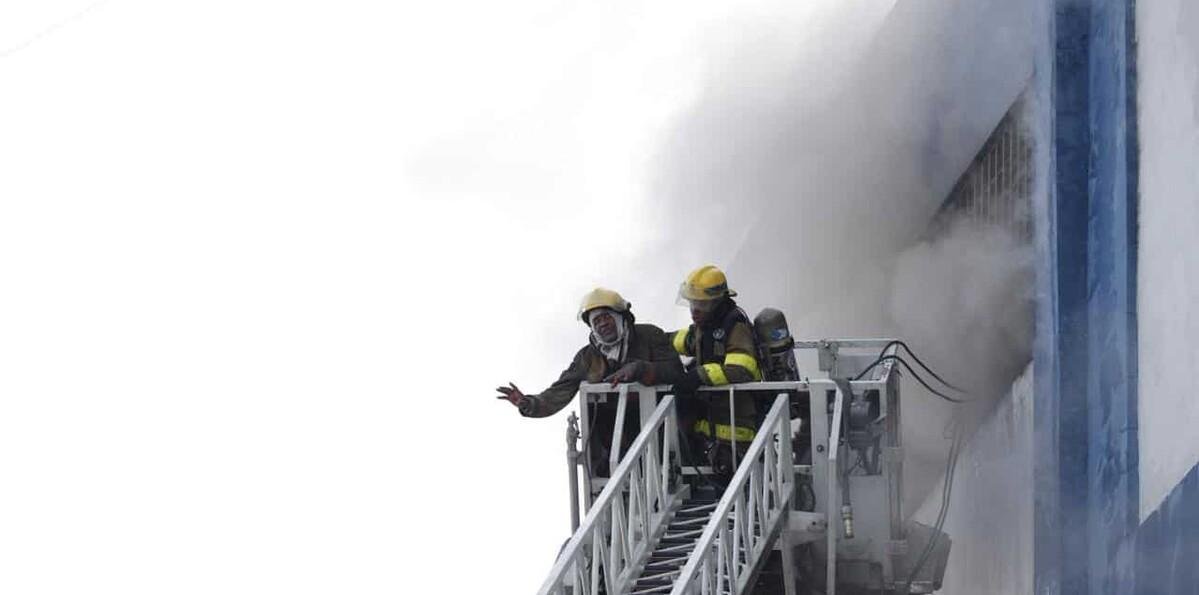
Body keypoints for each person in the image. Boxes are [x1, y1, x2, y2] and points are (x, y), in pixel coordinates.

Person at [496, 288, 684, 475]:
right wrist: (528, 403)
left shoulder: (649, 336)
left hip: (662, 428)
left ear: (620, 317)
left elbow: (675, 372)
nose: (602, 324)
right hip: (616, 439)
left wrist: (640, 369)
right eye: (596, 321)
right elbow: (560, 391)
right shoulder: (587, 357)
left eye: (606, 317)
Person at [670, 265, 762, 476]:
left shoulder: (735, 326)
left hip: (737, 427)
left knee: (739, 489)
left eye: (701, 304)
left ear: (717, 301)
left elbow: (742, 370)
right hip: (714, 427)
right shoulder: (706, 327)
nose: (694, 310)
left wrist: (698, 375)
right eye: (692, 303)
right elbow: (683, 341)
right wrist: (653, 340)